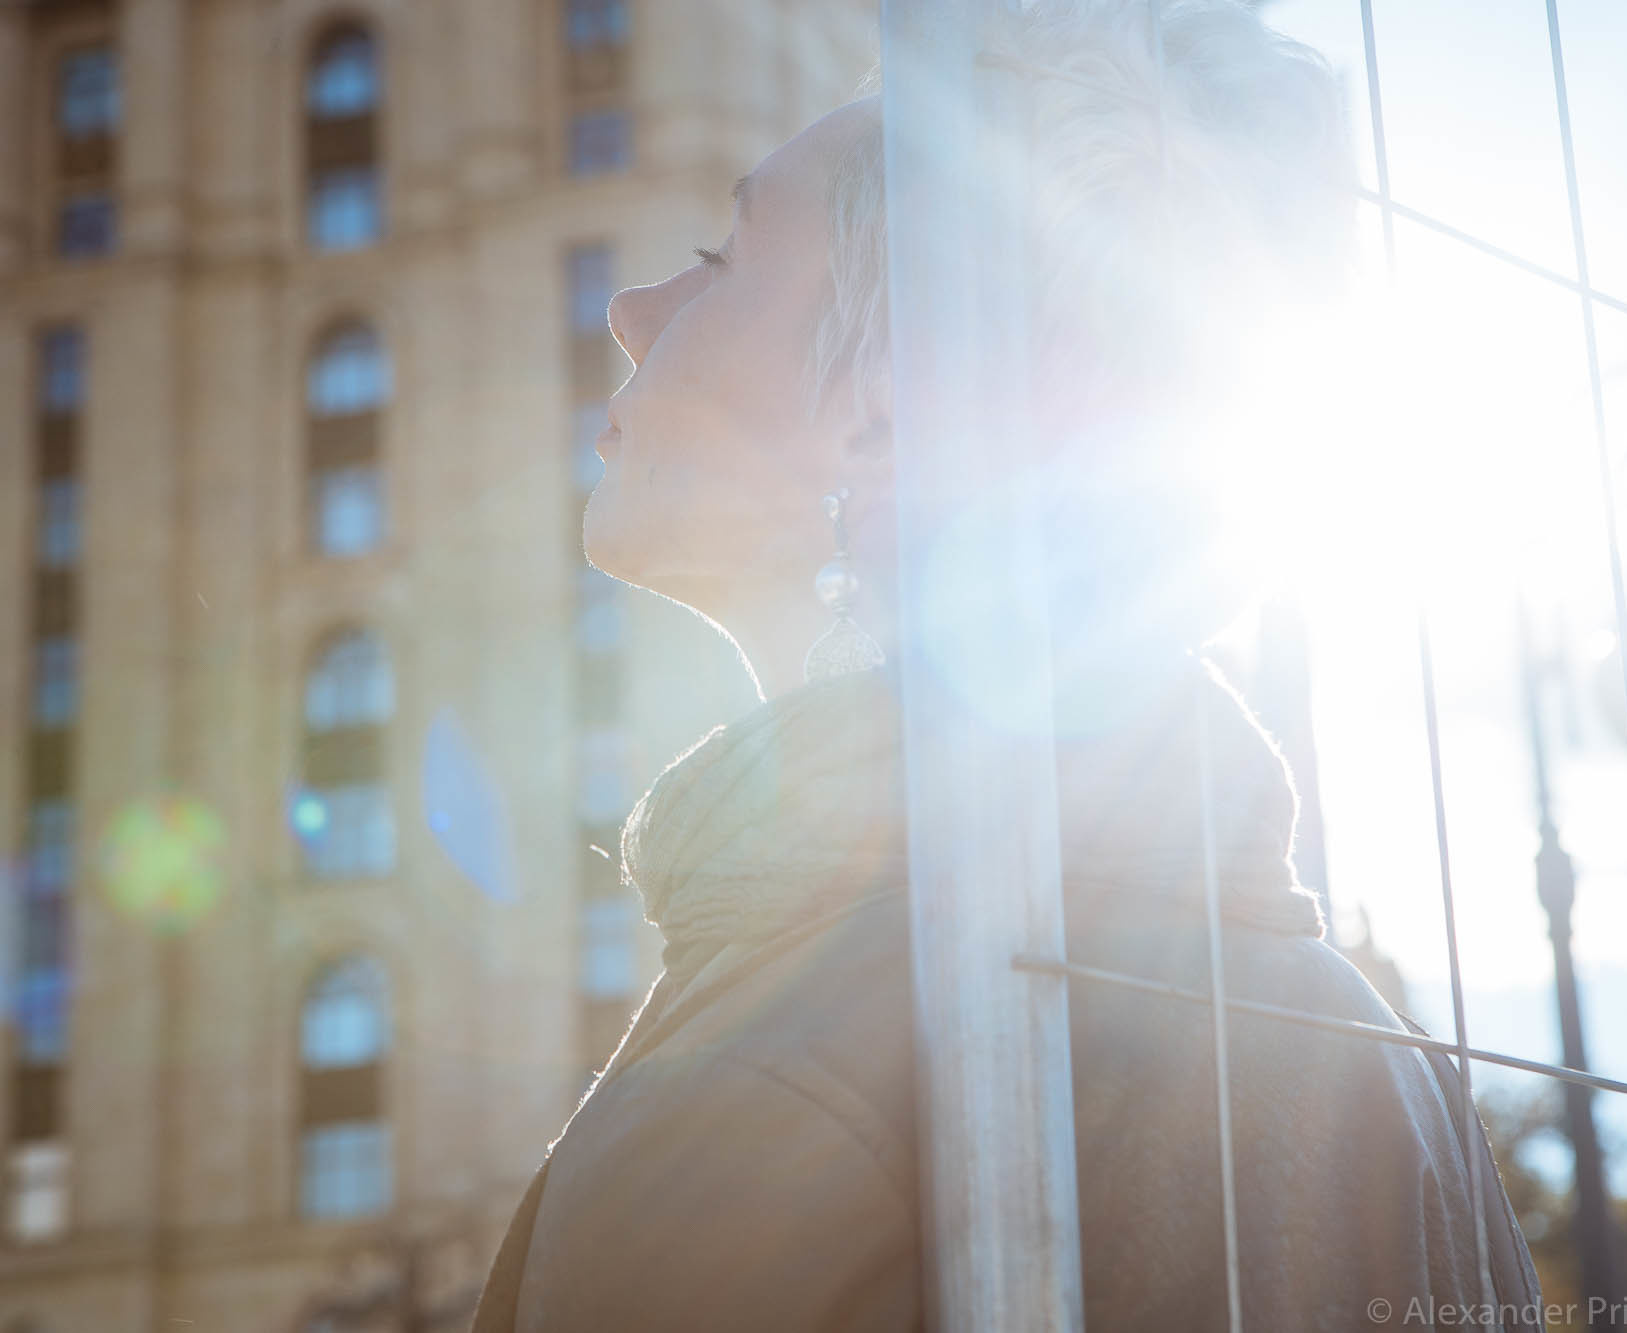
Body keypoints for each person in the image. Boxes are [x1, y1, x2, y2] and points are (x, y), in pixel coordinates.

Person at [473, 1, 1544, 1328]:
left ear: (884, 401)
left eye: (721, 257)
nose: (635, 310)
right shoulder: (1370, 1053)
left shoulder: (777, 1073)